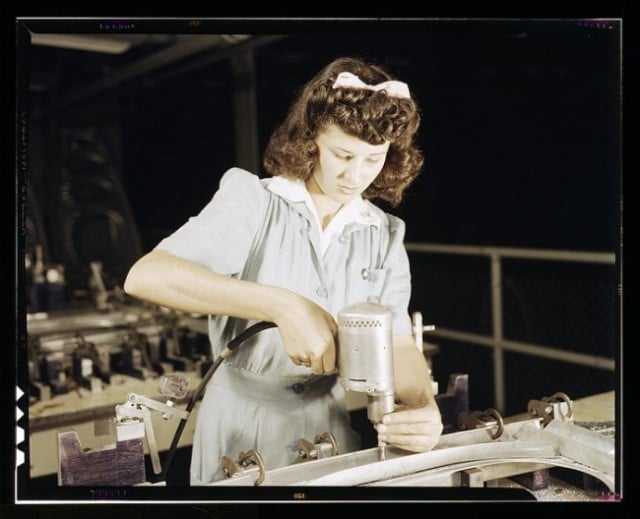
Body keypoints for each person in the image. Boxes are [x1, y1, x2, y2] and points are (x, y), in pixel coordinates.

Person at [124, 56, 443, 485]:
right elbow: (146, 276)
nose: (355, 176)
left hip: (327, 421)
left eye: (373, 159)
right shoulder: (255, 202)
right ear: (311, 139)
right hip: (241, 424)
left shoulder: (382, 232)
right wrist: (284, 306)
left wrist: (424, 407)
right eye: (342, 154)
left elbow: (399, 343)